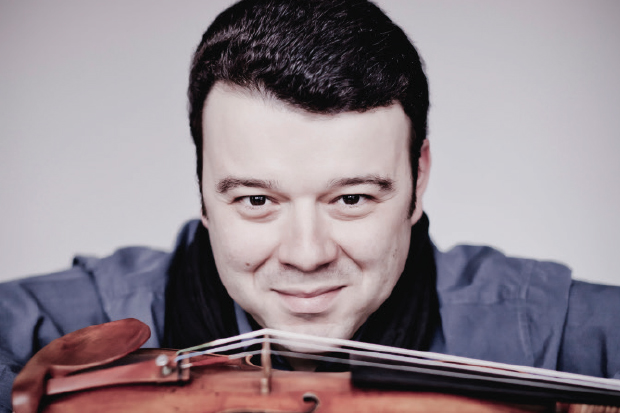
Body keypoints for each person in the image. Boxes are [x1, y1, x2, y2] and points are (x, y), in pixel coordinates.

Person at [1, 0, 619, 411]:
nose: (306, 254)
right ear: (202, 191)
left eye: (351, 198)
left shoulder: (536, 323)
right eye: (256, 200)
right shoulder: (94, 315)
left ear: (418, 177)